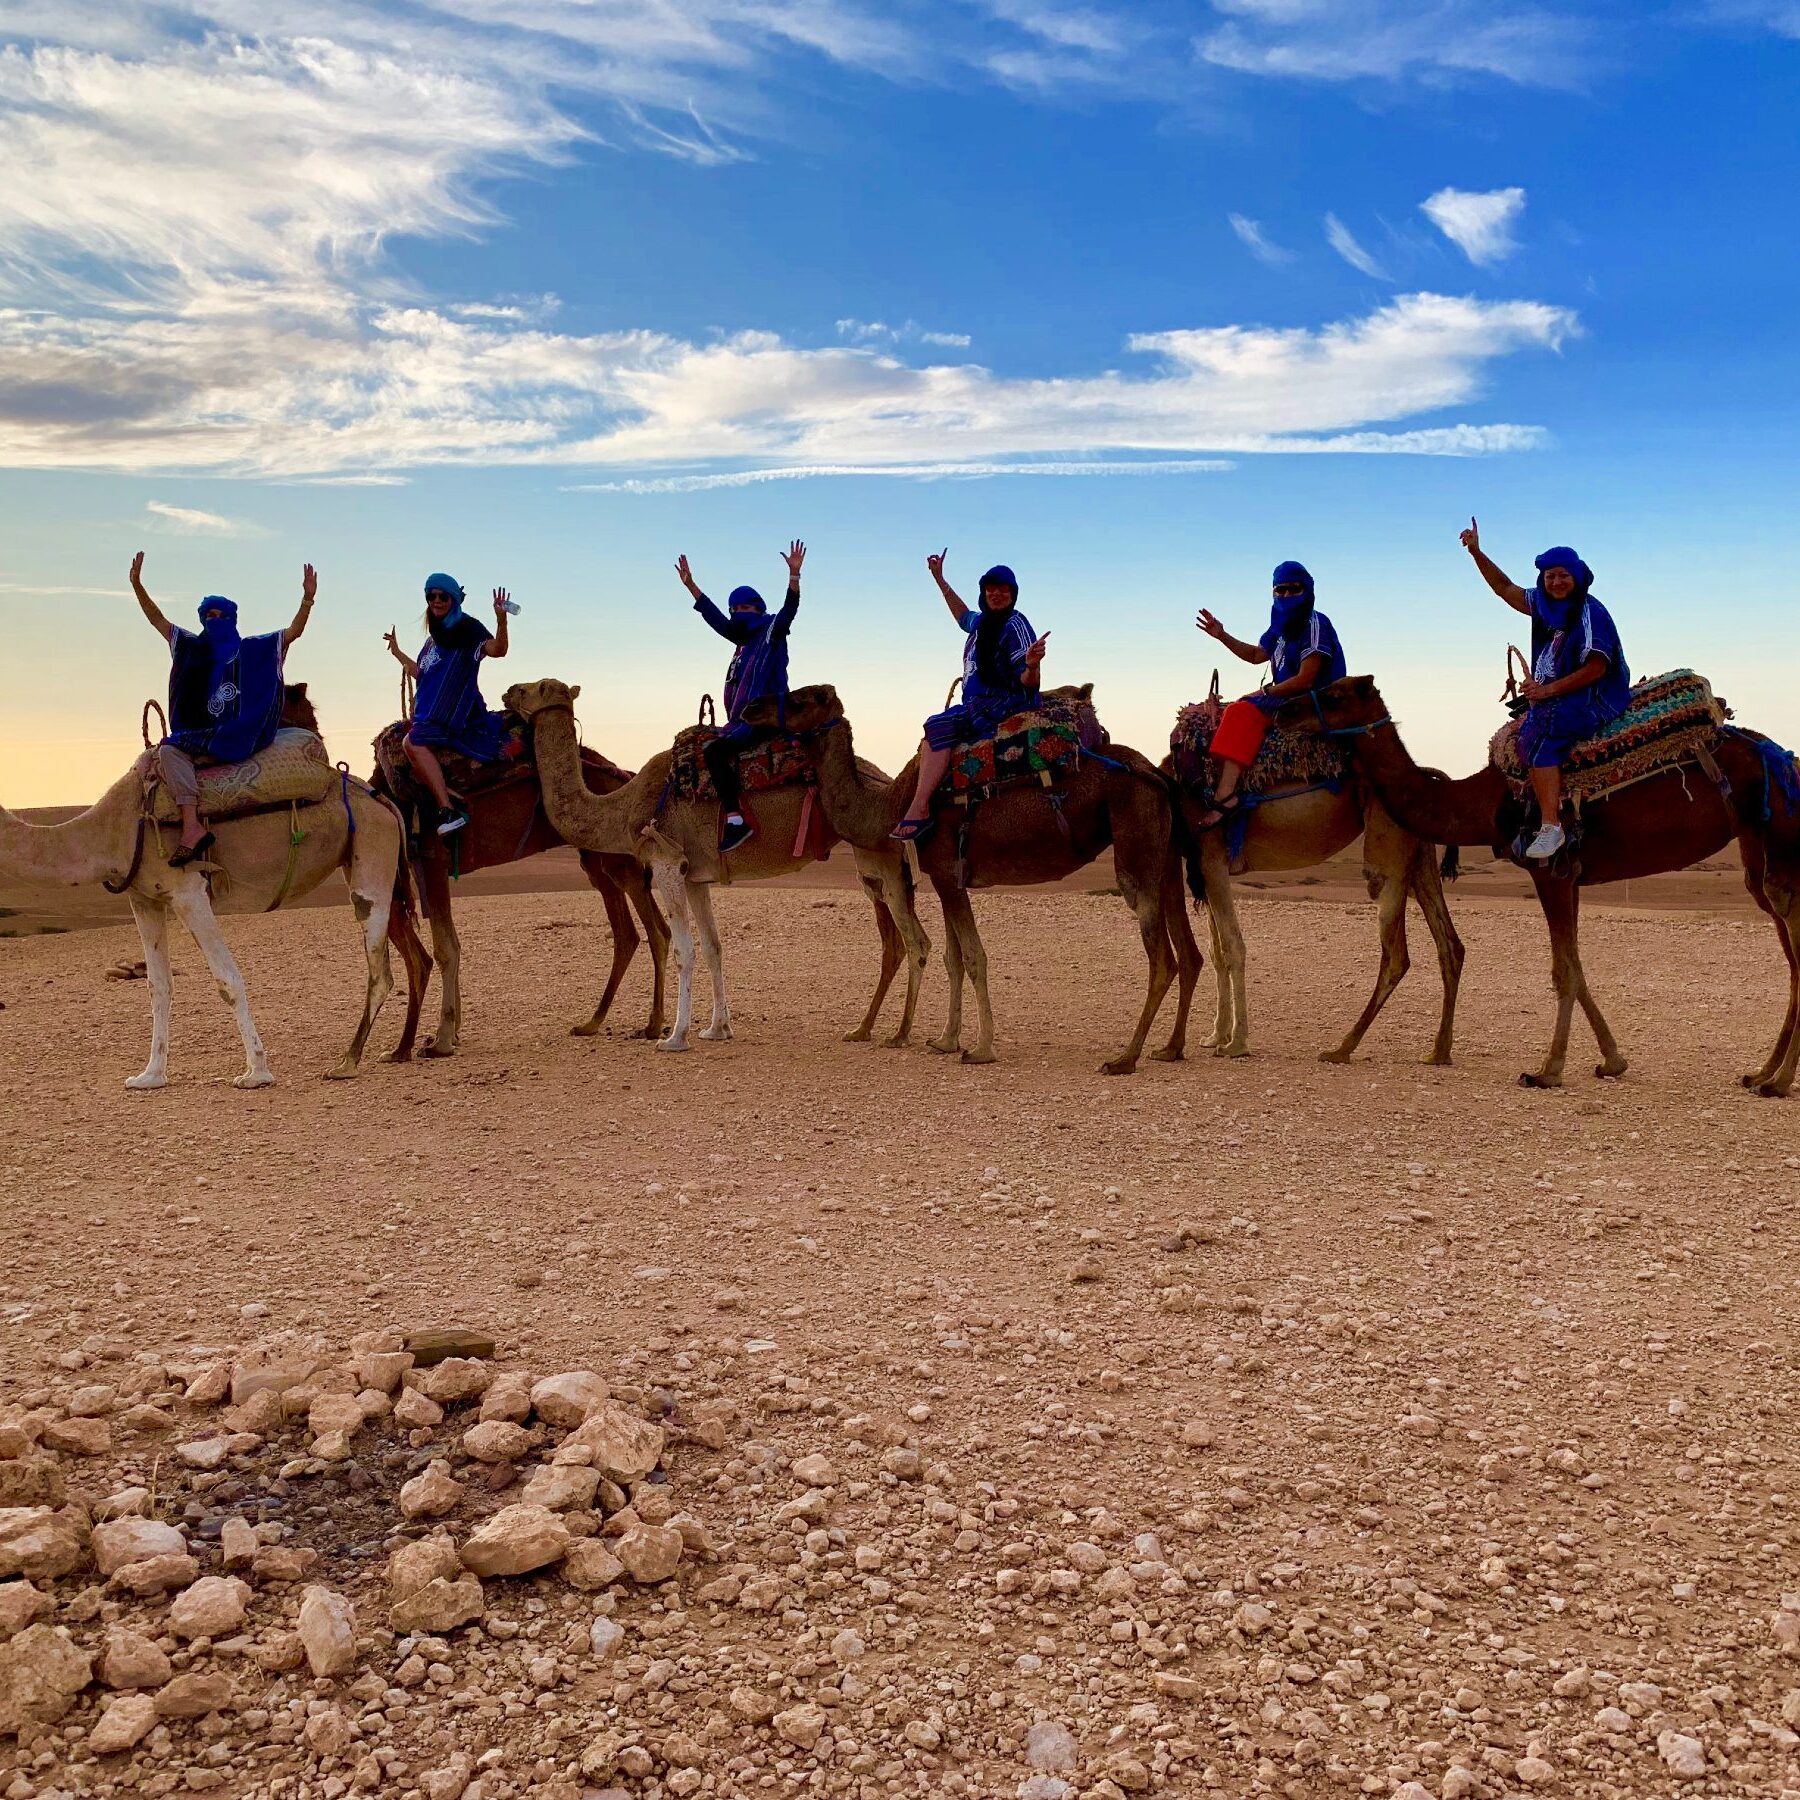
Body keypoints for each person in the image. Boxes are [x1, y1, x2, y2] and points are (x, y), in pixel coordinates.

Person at [130, 550, 314, 867]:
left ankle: (191, 829)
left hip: (240, 734)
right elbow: (157, 620)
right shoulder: (190, 649)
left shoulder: (252, 650)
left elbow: (292, 633)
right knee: (171, 752)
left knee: (170, 750)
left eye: (221, 616)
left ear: (232, 620)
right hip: (202, 734)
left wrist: (307, 600)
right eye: (209, 616)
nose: (214, 621)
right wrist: (137, 585)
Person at [1460, 519, 1630, 859]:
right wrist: (1477, 553)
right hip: (1552, 689)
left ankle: (1551, 827)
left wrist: (1547, 692)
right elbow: (1504, 588)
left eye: (1563, 575)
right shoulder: (1543, 603)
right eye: (1550, 576)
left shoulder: (1590, 614)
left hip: (1595, 694)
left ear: (1577, 576)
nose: (1556, 582)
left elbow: (1597, 668)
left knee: (1538, 736)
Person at [891, 552, 1049, 841]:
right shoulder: (983, 622)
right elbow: (962, 616)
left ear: (1013, 595)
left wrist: (1032, 664)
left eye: (1004, 590)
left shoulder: (1014, 624)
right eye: (991, 589)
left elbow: (1028, 684)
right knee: (935, 725)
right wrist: (940, 580)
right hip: (977, 702)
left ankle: (920, 808)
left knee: (937, 726)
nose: (997, 594)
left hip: (1002, 701)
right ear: (984, 593)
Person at [1193, 560, 1347, 829]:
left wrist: (1262, 693)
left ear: (1307, 591)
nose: (1286, 596)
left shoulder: (1314, 623)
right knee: (1206, 713)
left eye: (1293, 589)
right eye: (1280, 590)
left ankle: (1225, 796)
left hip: (1309, 701)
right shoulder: (1280, 627)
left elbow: (1306, 679)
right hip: (1284, 698)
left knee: (1240, 711)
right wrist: (1222, 635)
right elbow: (1256, 655)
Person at [676, 540, 805, 852]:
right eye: (734, 609)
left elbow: (789, 611)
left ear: (759, 610)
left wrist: (794, 578)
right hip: (742, 719)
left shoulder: (771, 629)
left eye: (745, 608)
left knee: (715, 753)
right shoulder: (742, 643)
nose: (738, 614)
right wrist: (692, 587)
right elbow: (718, 621)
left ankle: (736, 820)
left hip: (765, 714)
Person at [384, 573, 512, 837]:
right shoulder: (433, 640)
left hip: (454, 716)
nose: (436, 601)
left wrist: (501, 620)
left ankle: (448, 810)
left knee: (412, 742)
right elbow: (421, 673)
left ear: (454, 599)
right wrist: (397, 652)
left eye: (443, 596)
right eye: (431, 596)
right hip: (429, 713)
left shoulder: (468, 629)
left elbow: (498, 649)